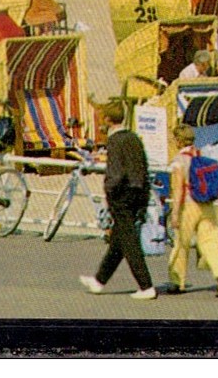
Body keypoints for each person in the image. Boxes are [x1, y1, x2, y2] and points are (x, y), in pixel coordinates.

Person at [79, 101, 156, 300]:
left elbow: (115, 172)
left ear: (107, 120)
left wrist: (109, 191)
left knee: (129, 242)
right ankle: (99, 281)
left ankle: (146, 286)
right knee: (119, 241)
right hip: (139, 191)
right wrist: (145, 195)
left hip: (122, 194)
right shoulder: (133, 138)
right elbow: (143, 167)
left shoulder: (115, 141)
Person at [164, 123, 218, 297]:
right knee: (210, 241)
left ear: (178, 140)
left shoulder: (179, 160)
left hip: (189, 204)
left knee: (181, 244)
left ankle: (178, 282)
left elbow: (178, 189)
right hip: (206, 203)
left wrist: (175, 213)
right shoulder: (201, 155)